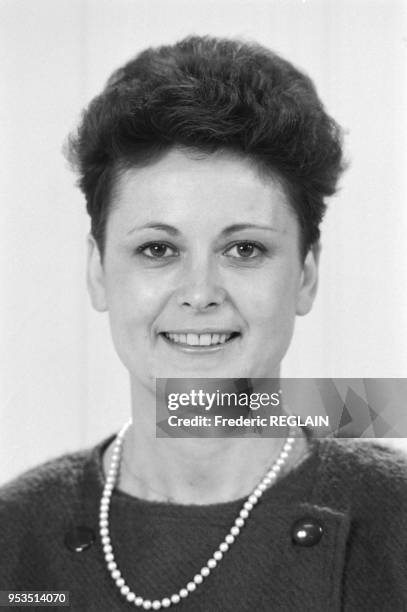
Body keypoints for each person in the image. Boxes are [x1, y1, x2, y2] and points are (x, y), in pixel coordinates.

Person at [1, 35, 406, 611]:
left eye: (243, 249)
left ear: (306, 275)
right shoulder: (15, 540)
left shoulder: (395, 521)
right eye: (157, 250)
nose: (199, 293)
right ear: (97, 271)